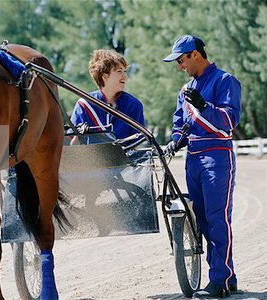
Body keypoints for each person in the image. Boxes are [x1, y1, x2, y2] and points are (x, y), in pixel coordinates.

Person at [163, 35, 241, 298]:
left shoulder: (225, 80)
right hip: (193, 158)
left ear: (195, 54)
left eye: (181, 60)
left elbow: (229, 121)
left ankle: (219, 281)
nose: (179, 66)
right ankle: (226, 277)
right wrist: (175, 141)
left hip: (217, 157)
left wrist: (204, 107)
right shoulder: (184, 90)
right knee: (204, 221)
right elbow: (179, 124)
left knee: (218, 218)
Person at [70, 49, 145, 146]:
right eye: (119, 71)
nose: (125, 76)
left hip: (125, 160)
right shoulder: (85, 104)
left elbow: (136, 144)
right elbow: (76, 143)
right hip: (91, 160)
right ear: (104, 76)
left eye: (125, 71)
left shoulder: (134, 105)